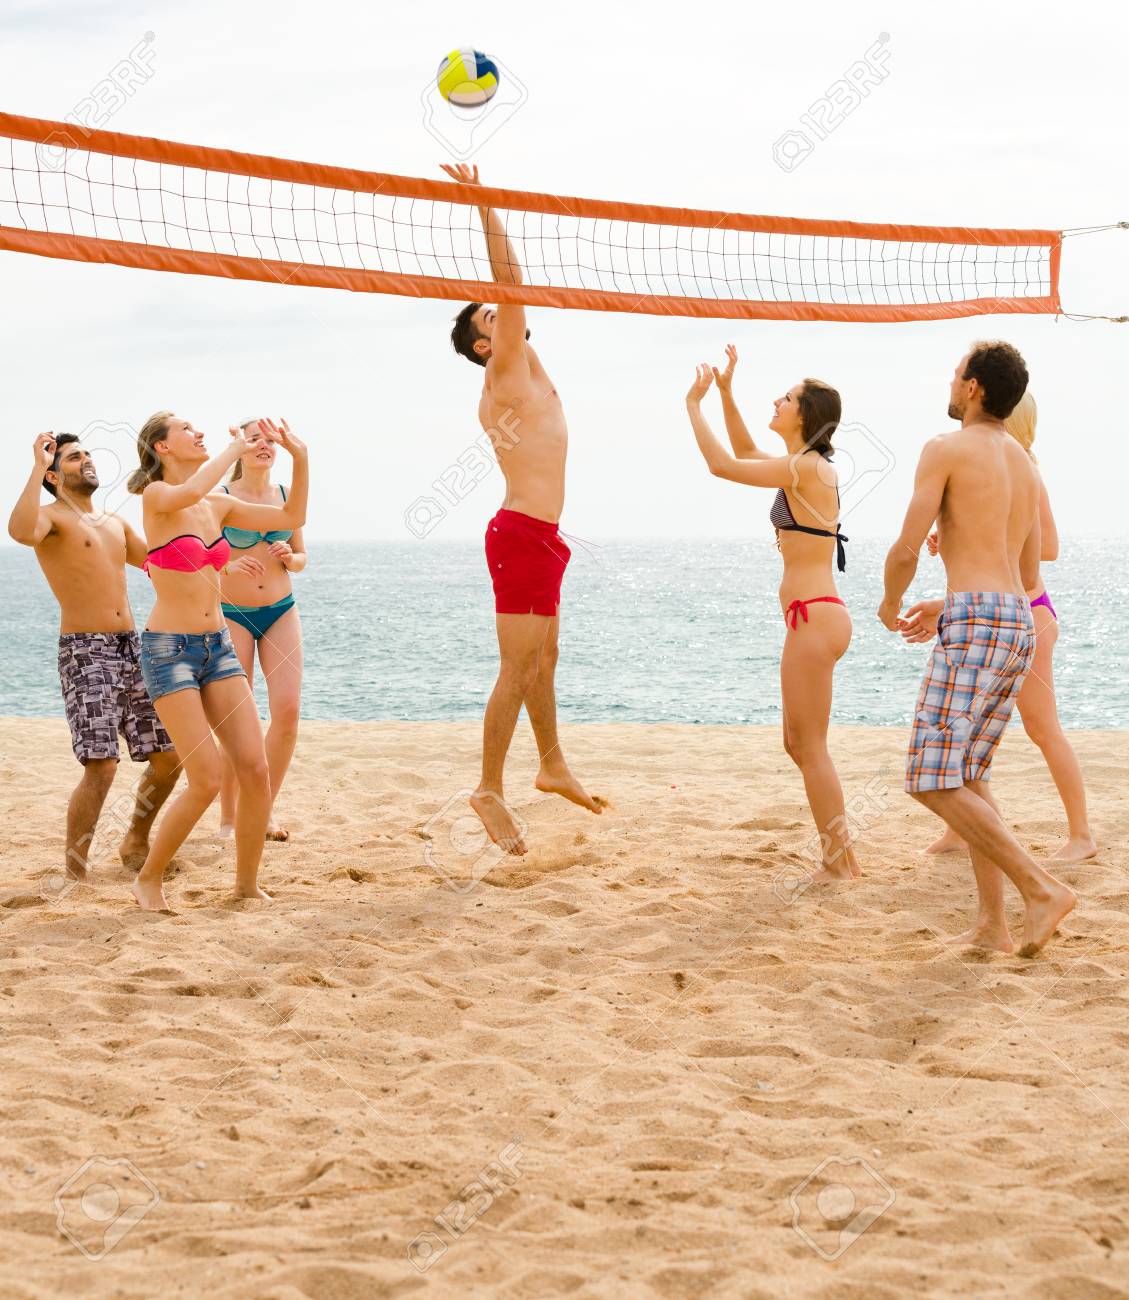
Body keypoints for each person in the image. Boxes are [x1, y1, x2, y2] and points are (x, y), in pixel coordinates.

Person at [880, 342, 1076, 956]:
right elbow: (1022, 571)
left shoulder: (945, 449)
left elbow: (908, 546)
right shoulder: (1022, 461)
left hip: (980, 621)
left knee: (929, 780)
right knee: (970, 773)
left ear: (973, 389)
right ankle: (992, 926)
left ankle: (1040, 887)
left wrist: (891, 604)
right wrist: (954, 604)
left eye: (956, 371)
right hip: (1016, 617)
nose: (950, 378)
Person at [442, 160, 605, 855]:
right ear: (486, 343)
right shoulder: (503, 370)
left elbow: (512, 297)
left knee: (547, 658)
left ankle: (551, 763)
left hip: (541, 535)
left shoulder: (530, 370)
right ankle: (487, 788)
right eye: (491, 315)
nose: (502, 311)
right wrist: (484, 206)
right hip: (519, 534)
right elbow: (511, 285)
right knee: (517, 667)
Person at [685, 346, 860, 884]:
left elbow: (722, 465)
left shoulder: (807, 466)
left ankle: (839, 862)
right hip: (813, 615)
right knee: (797, 744)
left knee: (809, 747)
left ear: (805, 415)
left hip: (816, 616)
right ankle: (840, 856)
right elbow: (742, 449)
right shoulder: (802, 466)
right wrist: (727, 394)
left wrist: (693, 406)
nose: (777, 401)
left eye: (786, 398)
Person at [126, 413, 308, 911]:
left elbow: (293, 519)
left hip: (217, 647)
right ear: (162, 447)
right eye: (187, 429)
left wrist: (302, 456)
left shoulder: (218, 504)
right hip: (170, 651)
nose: (200, 433)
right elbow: (188, 493)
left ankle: (246, 886)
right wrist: (237, 449)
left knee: (254, 769)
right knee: (205, 778)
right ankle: (149, 878)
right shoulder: (158, 498)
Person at [912, 391, 1096, 863]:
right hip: (1000, 608)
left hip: (1028, 609)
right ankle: (960, 829)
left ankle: (1081, 835)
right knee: (971, 734)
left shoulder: (1022, 467)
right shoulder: (987, 467)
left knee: (1042, 727)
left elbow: (1047, 548)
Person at [6, 431, 180, 885]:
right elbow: (21, 532)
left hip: (133, 647)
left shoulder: (115, 524)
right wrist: (33, 464)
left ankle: (135, 840)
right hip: (86, 651)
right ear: (52, 474)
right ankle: (76, 873)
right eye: (72, 457)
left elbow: (162, 563)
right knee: (101, 764)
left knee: (170, 756)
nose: (86, 460)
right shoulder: (50, 518)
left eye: (87, 454)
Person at [216, 418, 307, 843]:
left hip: (281, 610)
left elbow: (304, 557)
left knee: (286, 713)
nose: (264, 446)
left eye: (271, 440)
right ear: (239, 445)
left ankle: (263, 811)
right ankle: (230, 817)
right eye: (255, 439)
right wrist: (228, 564)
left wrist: (291, 556)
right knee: (240, 719)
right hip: (232, 612)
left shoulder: (287, 497)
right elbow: (197, 559)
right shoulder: (220, 497)